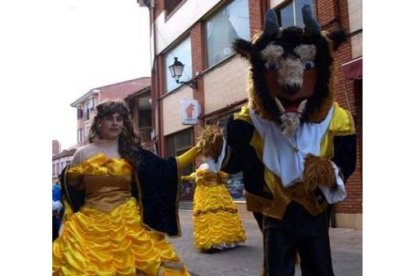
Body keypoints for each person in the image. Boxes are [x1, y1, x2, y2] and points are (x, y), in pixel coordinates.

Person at [197, 6, 356, 276]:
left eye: (307, 66)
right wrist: (217, 149)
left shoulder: (336, 118)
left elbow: (347, 161)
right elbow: (235, 161)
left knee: (319, 266)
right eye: (273, 66)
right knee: (276, 269)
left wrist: (328, 172)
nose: (291, 84)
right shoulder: (249, 121)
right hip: (274, 207)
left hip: (313, 205)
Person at [53, 100, 201, 276]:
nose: (115, 123)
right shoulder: (82, 153)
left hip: (129, 221)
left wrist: (197, 150)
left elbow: (165, 169)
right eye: (110, 118)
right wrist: (66, 222)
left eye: (120, 119)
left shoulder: (132, 152)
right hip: (89, 223)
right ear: (99, 122)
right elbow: (71, 193)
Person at [181, 125, 246, 252]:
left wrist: (184, 177)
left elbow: (195, 176)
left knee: (210, 216)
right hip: (219, 191)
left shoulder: (205, 167)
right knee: (222, 214)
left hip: (206, 194)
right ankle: (227, 239)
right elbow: (221, 174)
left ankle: (214, 241)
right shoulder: (216, 165)